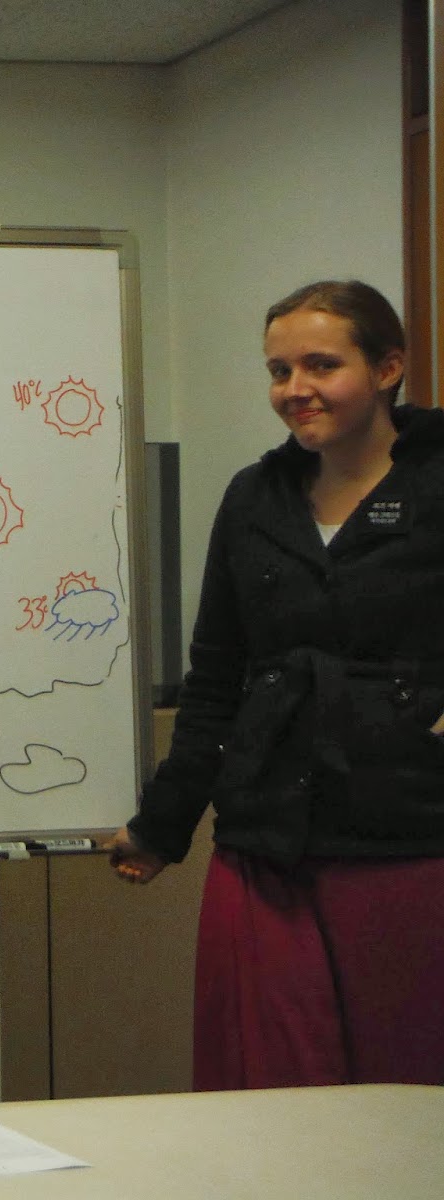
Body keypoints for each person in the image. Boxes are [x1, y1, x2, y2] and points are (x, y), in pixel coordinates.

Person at [108, 280, 444, 1089]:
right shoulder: (255, 497)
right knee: (271, 1095)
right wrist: (163, 824)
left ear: (388, 368)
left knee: (406, 1099)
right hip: (267, 845)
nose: (296, 389)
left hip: (410, 845)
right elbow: (217, 678)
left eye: (322, 365)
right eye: (279, 370)